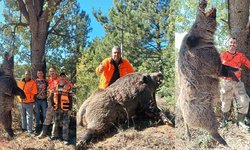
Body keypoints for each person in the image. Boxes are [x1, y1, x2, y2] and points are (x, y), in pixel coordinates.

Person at [220, 37, 250, 130]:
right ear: (228, 44)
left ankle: (240, 121)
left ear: (236, 45)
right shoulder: (223, 55)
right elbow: (217, 68)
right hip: (226, 83)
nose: (232, 44)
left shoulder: (240, 56)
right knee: (225, 102)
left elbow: (248, 63)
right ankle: (225, 120)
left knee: (245, 101)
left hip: (238, 83)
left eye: (234, 43)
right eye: (231, 42)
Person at [37, 68, 73, 138]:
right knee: (48, 116)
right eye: (50, 71)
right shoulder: (48, 80)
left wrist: (68, 85)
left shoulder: (59, 79)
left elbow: (71, 85)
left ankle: (61, 135)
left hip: (61, 101)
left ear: (55, 72)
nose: (52, 72)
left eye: (53, 71)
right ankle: (43, 133)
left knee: (61, 119)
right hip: (52, 100)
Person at [50, 73, 72, 145]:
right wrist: (52, 106)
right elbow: (51, 97)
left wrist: (70, 109)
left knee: (65, 123)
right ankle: (54, 136)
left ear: (65, 78)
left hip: (65, 108)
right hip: (57, 107)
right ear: (59, 78)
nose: (62, 78)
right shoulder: (55, 87)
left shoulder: (68, 87)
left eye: (63, 77)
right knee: (55, 122)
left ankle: (65, 139)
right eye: (61, 77)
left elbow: (70, 98)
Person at [17, 71, 38, 136]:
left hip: (29, 102)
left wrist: (31, 90)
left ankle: (30, 130)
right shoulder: (21, 82)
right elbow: (18, 90)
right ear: (24, 75)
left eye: (29, 75)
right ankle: (24, 128)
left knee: (29, 116)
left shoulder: (33, 83)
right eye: (26, 74)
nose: (27, 76)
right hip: (21, 101)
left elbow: (35, 92)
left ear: (30, 75)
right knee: (23, 115)